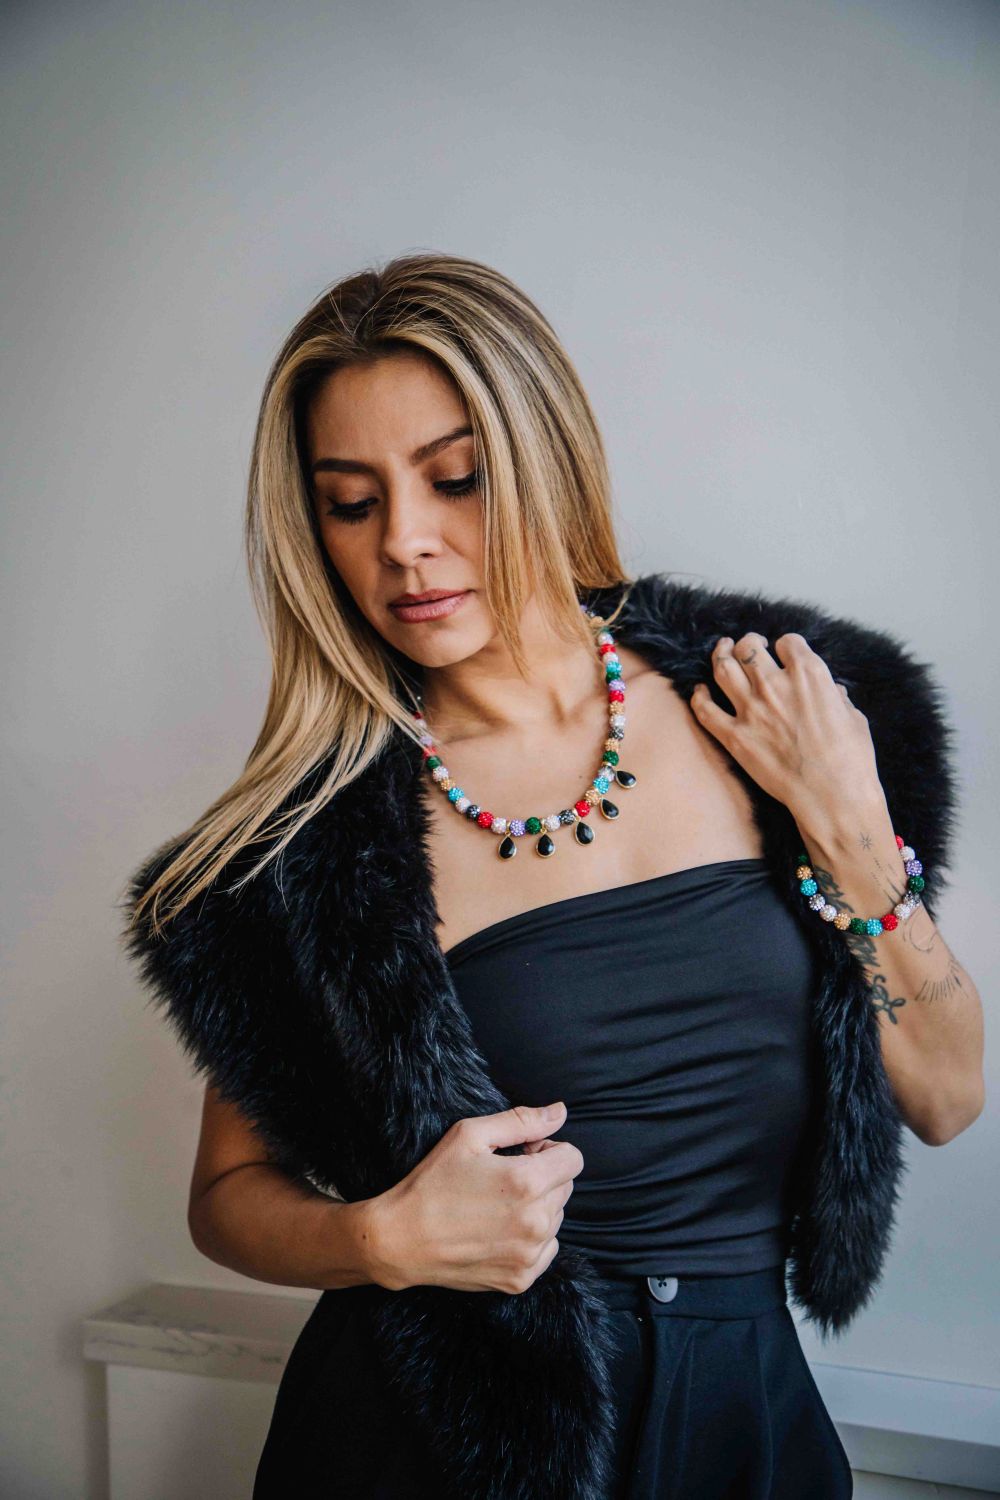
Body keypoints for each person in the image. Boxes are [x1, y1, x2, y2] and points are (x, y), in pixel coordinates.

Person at [122, 252, 984, 1500]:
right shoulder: (311, 842)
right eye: (350, 503)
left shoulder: (780, 709)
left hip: (746, 1422)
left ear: (543, 457)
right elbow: (226, 1198)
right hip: (434, 1443)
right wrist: (379, 1236)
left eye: (455, 478)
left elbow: (947, 1098)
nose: (407, 545)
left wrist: (853, 834)